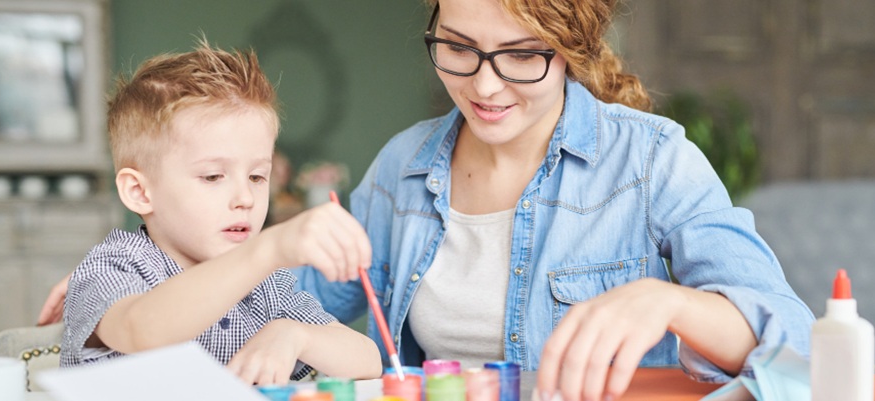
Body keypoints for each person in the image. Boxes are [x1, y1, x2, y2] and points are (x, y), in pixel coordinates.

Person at [40, 1, 815, 399]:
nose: (482, 84)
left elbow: (802, 352)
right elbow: (279, 299)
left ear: (570, 45)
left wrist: (667, 304)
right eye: (458, 48)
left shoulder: (652, 162)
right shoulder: (407, 166)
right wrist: (151, 273)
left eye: (519, 57)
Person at [57, 40, 381, 385]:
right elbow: (142, 329)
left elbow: (368, 360)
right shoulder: (112, 266)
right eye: (213, 176)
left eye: (257, 176)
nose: (245, 197)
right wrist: (269, 249)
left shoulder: (265, 287)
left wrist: (293, 334)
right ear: (139, 192)